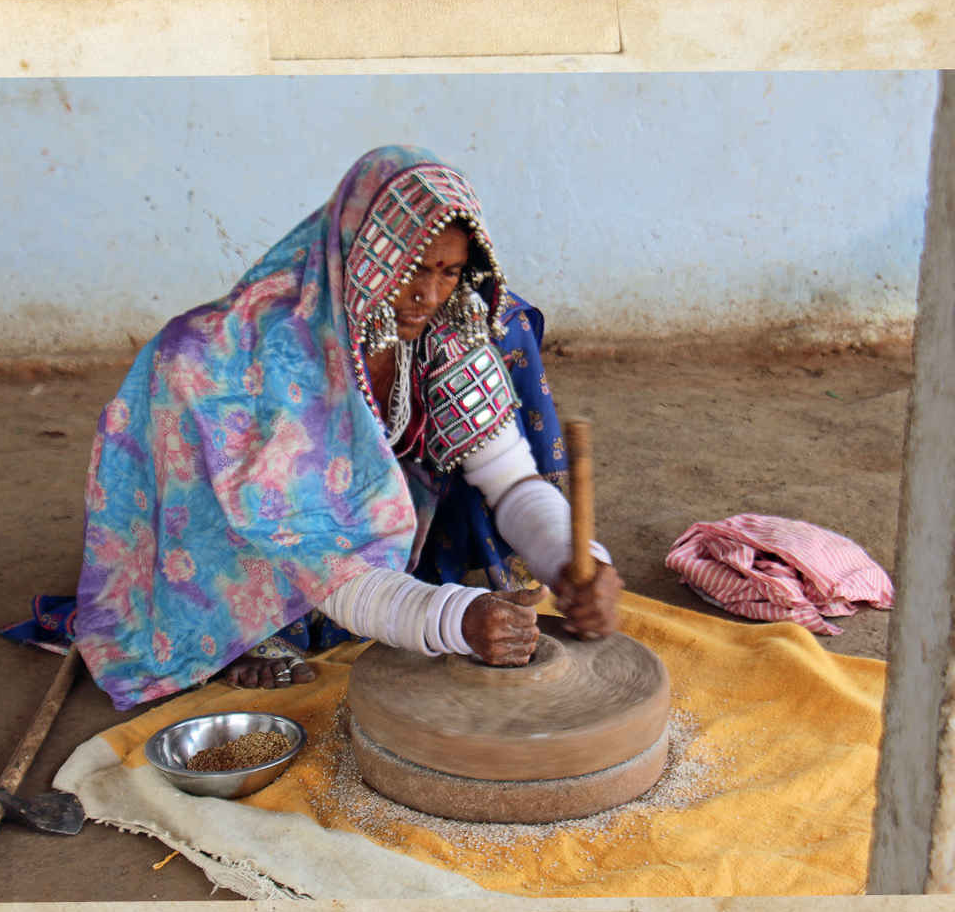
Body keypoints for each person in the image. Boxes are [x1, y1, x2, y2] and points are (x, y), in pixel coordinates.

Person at [73, 145, 623, 710]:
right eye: (410, 271)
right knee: (252, 581)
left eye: (448, 271)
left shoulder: (445, 324)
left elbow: (506, 478)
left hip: (325, 515)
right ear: (366, 258)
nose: (427, 296)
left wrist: (573, 562)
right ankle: (234, 626)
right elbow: (320, 560)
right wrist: (450, 617)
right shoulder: (278, 363)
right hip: (223, 488)